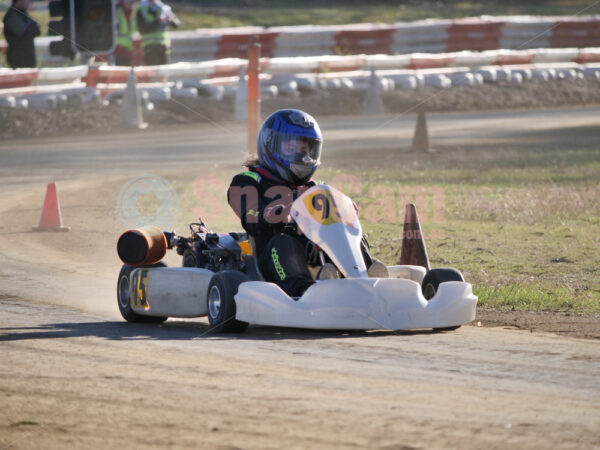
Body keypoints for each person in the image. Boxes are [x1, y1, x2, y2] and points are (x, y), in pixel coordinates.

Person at [227, 109, 386, 299]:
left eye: (305, 150)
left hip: (317, 254)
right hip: (273, 260)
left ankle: (367, 279)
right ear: (271, 144)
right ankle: (305, 291)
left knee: (351, 235)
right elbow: (252, 219)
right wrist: (287, 208)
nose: (301, 156)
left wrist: (345, 211)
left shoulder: (315, 188)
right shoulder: (247, 181)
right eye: (291, 148)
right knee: (283, 241)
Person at [136, 0, 179, 66]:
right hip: (149, 46)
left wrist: (170, 20)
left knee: (164, 72)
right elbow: (142, 29)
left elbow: (176, 24)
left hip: (162, 46)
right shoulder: (141, 9)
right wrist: (158, 21)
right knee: (151, 72)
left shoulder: (164, 8)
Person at [2, 0, 40, 69]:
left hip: (28, 60)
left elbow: (37, 31)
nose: (29, 2)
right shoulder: (12, 15)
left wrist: (32, 27)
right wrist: (32, 27)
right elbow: (25, 33)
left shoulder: (22, 13)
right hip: (18, 61)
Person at [114, 0, 136, 66]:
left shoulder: (131, 12)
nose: (131, 2)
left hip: (127, 49)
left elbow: (131, 31)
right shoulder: (116, 9)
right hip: (117, 48)